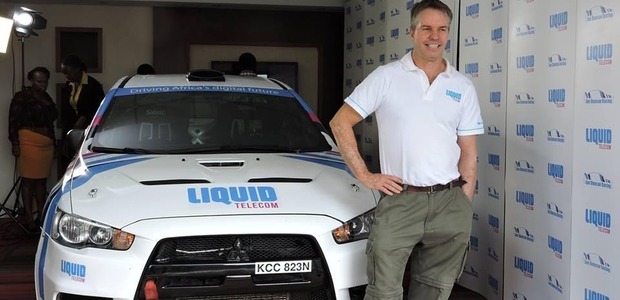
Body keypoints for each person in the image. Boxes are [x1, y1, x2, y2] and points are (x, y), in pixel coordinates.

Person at [329, 1, 484, 299]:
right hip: (401, 200)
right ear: (411, 32)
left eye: (441, 29)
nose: (434, 36)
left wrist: (463, 204)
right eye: (426, 28)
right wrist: (366, 175)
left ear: (448, 34)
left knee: (435, 290)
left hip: (449, 201)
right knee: (384, 291)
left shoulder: (462, 86)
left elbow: (468, 151)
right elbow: (340, 122)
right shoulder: (387, 77)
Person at [8, 67, 57, 231]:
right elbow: (13, 120)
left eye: (45, 81)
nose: (43, 84)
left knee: (41, 181)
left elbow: (52, 119)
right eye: (39, 81)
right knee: (28, 180)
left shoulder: (47, 97)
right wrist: (15, 142)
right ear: (31, 80)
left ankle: (41, 217)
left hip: (46, 145)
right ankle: (29, 218)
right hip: (28, 142)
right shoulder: (22, 97)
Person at [59, 55, 105, 170]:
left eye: (68, 72)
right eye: (64, 73)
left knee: (84, 165)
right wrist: (65, 137)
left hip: (88, 130)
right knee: (69, 165)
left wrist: (84, 117)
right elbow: (66, 111)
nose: (66, 76)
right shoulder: (67, 86)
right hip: (71, 130)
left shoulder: (93, 85)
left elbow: (99, 110)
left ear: (78, 69)